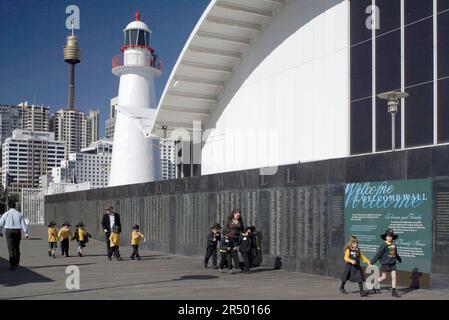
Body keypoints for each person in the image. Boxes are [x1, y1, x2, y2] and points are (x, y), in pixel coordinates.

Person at [371, 228, 402, 298]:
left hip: (393, 263)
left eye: (391, 236)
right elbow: (378, 254)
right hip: (385, 264)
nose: (389, 237)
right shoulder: (383, 245)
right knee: (383, 277)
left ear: (392, 237)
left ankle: (394, 291)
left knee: (394, 277)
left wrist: (398, 258)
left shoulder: (394, 244)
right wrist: (372, 262)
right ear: (385, 237)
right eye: (388, 236)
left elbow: (395, 253)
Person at [0, 201, 29, 270]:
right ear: (15, 206)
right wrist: (26, 233)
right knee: (16, 247)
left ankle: (12, 264)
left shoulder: (6, 214)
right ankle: (16, 263)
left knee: (11, 248)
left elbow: (0, 223)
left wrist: (0, 231)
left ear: (8, 206)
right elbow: (24, 225)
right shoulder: (19, 214)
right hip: (17, 231)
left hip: (8, 231)